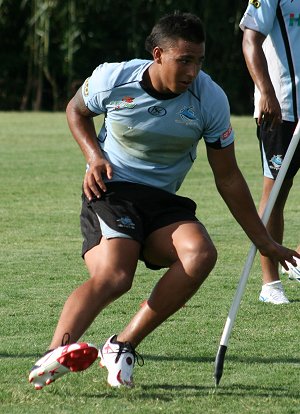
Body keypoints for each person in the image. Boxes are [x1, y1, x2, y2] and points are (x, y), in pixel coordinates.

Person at [29, 11, 299, 390]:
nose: (192, 71)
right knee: (116, 277)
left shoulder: (210, 99)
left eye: (199, 61)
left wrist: (263, 241)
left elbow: (228, 178)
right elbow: (77, 109)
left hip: (162, 202)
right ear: (158, 55)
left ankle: (121, 347)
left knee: (201, 254)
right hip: (112, 191)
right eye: (183, 60)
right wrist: (94, 156)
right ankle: (55, 353)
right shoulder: (114, 77)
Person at [240, 0, 300, 304]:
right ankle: (270, 284)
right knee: (275, 192)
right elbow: (250, 38)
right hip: (283, 110)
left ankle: (297, 261)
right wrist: (266, 92)